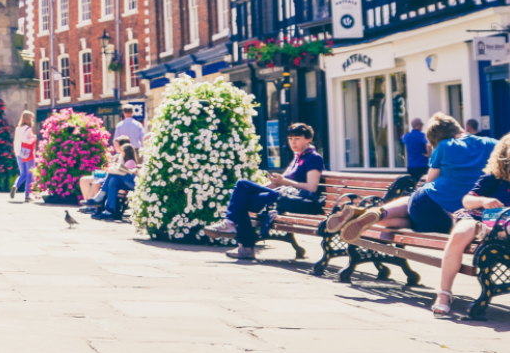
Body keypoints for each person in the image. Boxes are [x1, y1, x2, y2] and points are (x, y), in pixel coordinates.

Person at [334, 113, 497, 244]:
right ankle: (368, 215)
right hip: (455, 218)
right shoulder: (492, 144)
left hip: (429, 203)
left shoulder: (445, 145)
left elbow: (430, 181)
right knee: (413, 223)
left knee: (414, 201)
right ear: (457, 126)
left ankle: (370, 213)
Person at [205, 123, 324, 260]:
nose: (293, 142)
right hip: (282, 195)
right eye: (290, 138)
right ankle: (243, 244)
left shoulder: (313, 158)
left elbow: (312, 187)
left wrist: (283, 182)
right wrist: (260, 189)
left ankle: (233, 228)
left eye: (297, 138)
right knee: (243, 200)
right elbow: (277, 183)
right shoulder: (298, 157)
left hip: (297, 200)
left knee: (242, 184)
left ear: (308, 139)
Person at [432, 132, 510, 317]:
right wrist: (484, 200)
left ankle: (491, 232)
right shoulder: (494, 178)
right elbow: (467, 201)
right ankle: (444, 294)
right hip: (478, 216)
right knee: (460, 234)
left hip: (504, 223)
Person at [90, 142, 139, 220]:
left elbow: (122, 173)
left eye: (122, 152)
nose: (120, 154)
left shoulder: (131, 162)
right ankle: (109, 211)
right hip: (123, 183)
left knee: (113, 173)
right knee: (113, 180)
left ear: (126, 152)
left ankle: (101, 196)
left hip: (130, 183)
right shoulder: (124, 161)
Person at [10, 110, 35, 202]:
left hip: (18, 153)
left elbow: (15, 141)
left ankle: (15, 186)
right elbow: (25, 140)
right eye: (31, 117)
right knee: (29, 174)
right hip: (27, 154)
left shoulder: (18, 129)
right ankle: (27, 195)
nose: (33, 119)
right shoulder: (28, 129)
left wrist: (16, 152)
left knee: (23, 174)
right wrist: (33, 138)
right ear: (28, 118)